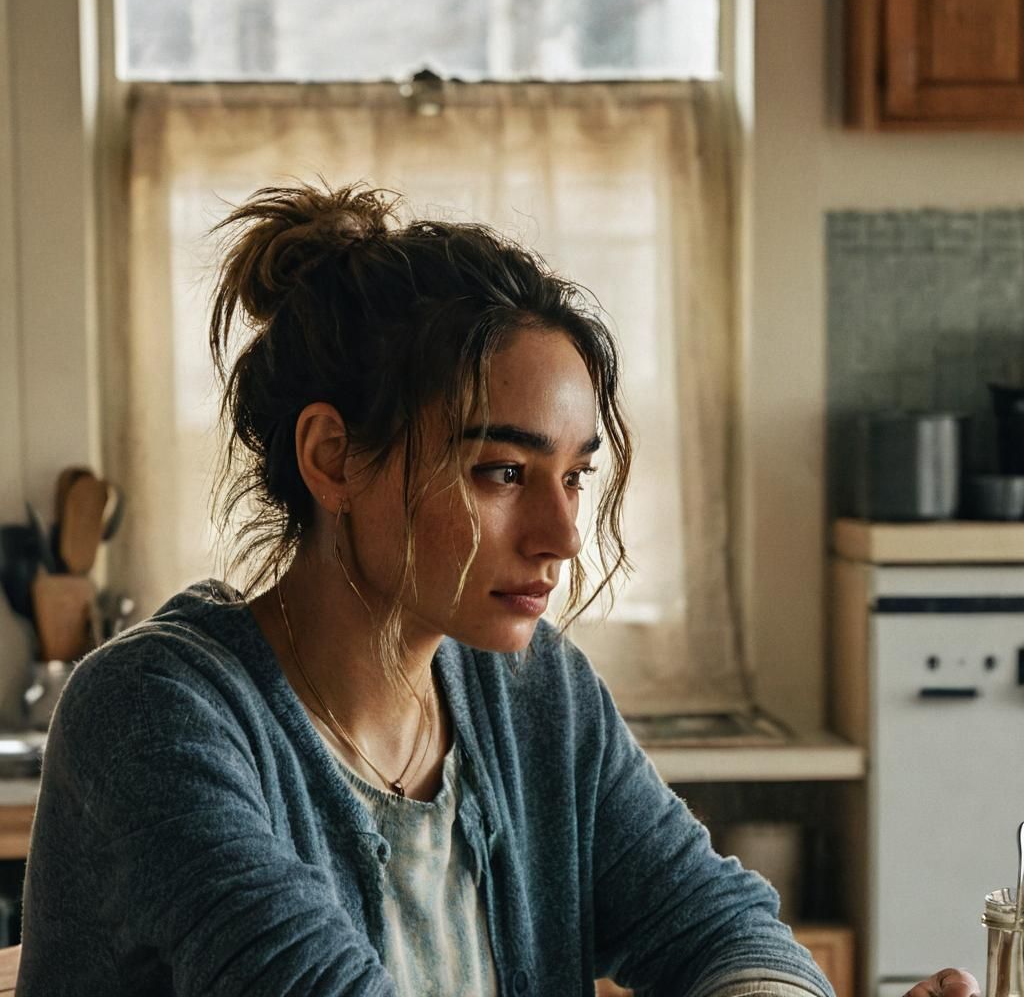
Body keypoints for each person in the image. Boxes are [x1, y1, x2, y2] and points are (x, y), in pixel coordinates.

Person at [16, 182, 979, 997]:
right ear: (333, 457)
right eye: (502, 474)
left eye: (574, 477)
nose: (562, 537)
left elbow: (721, 925)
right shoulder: (153, 716)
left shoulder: (534, 693)